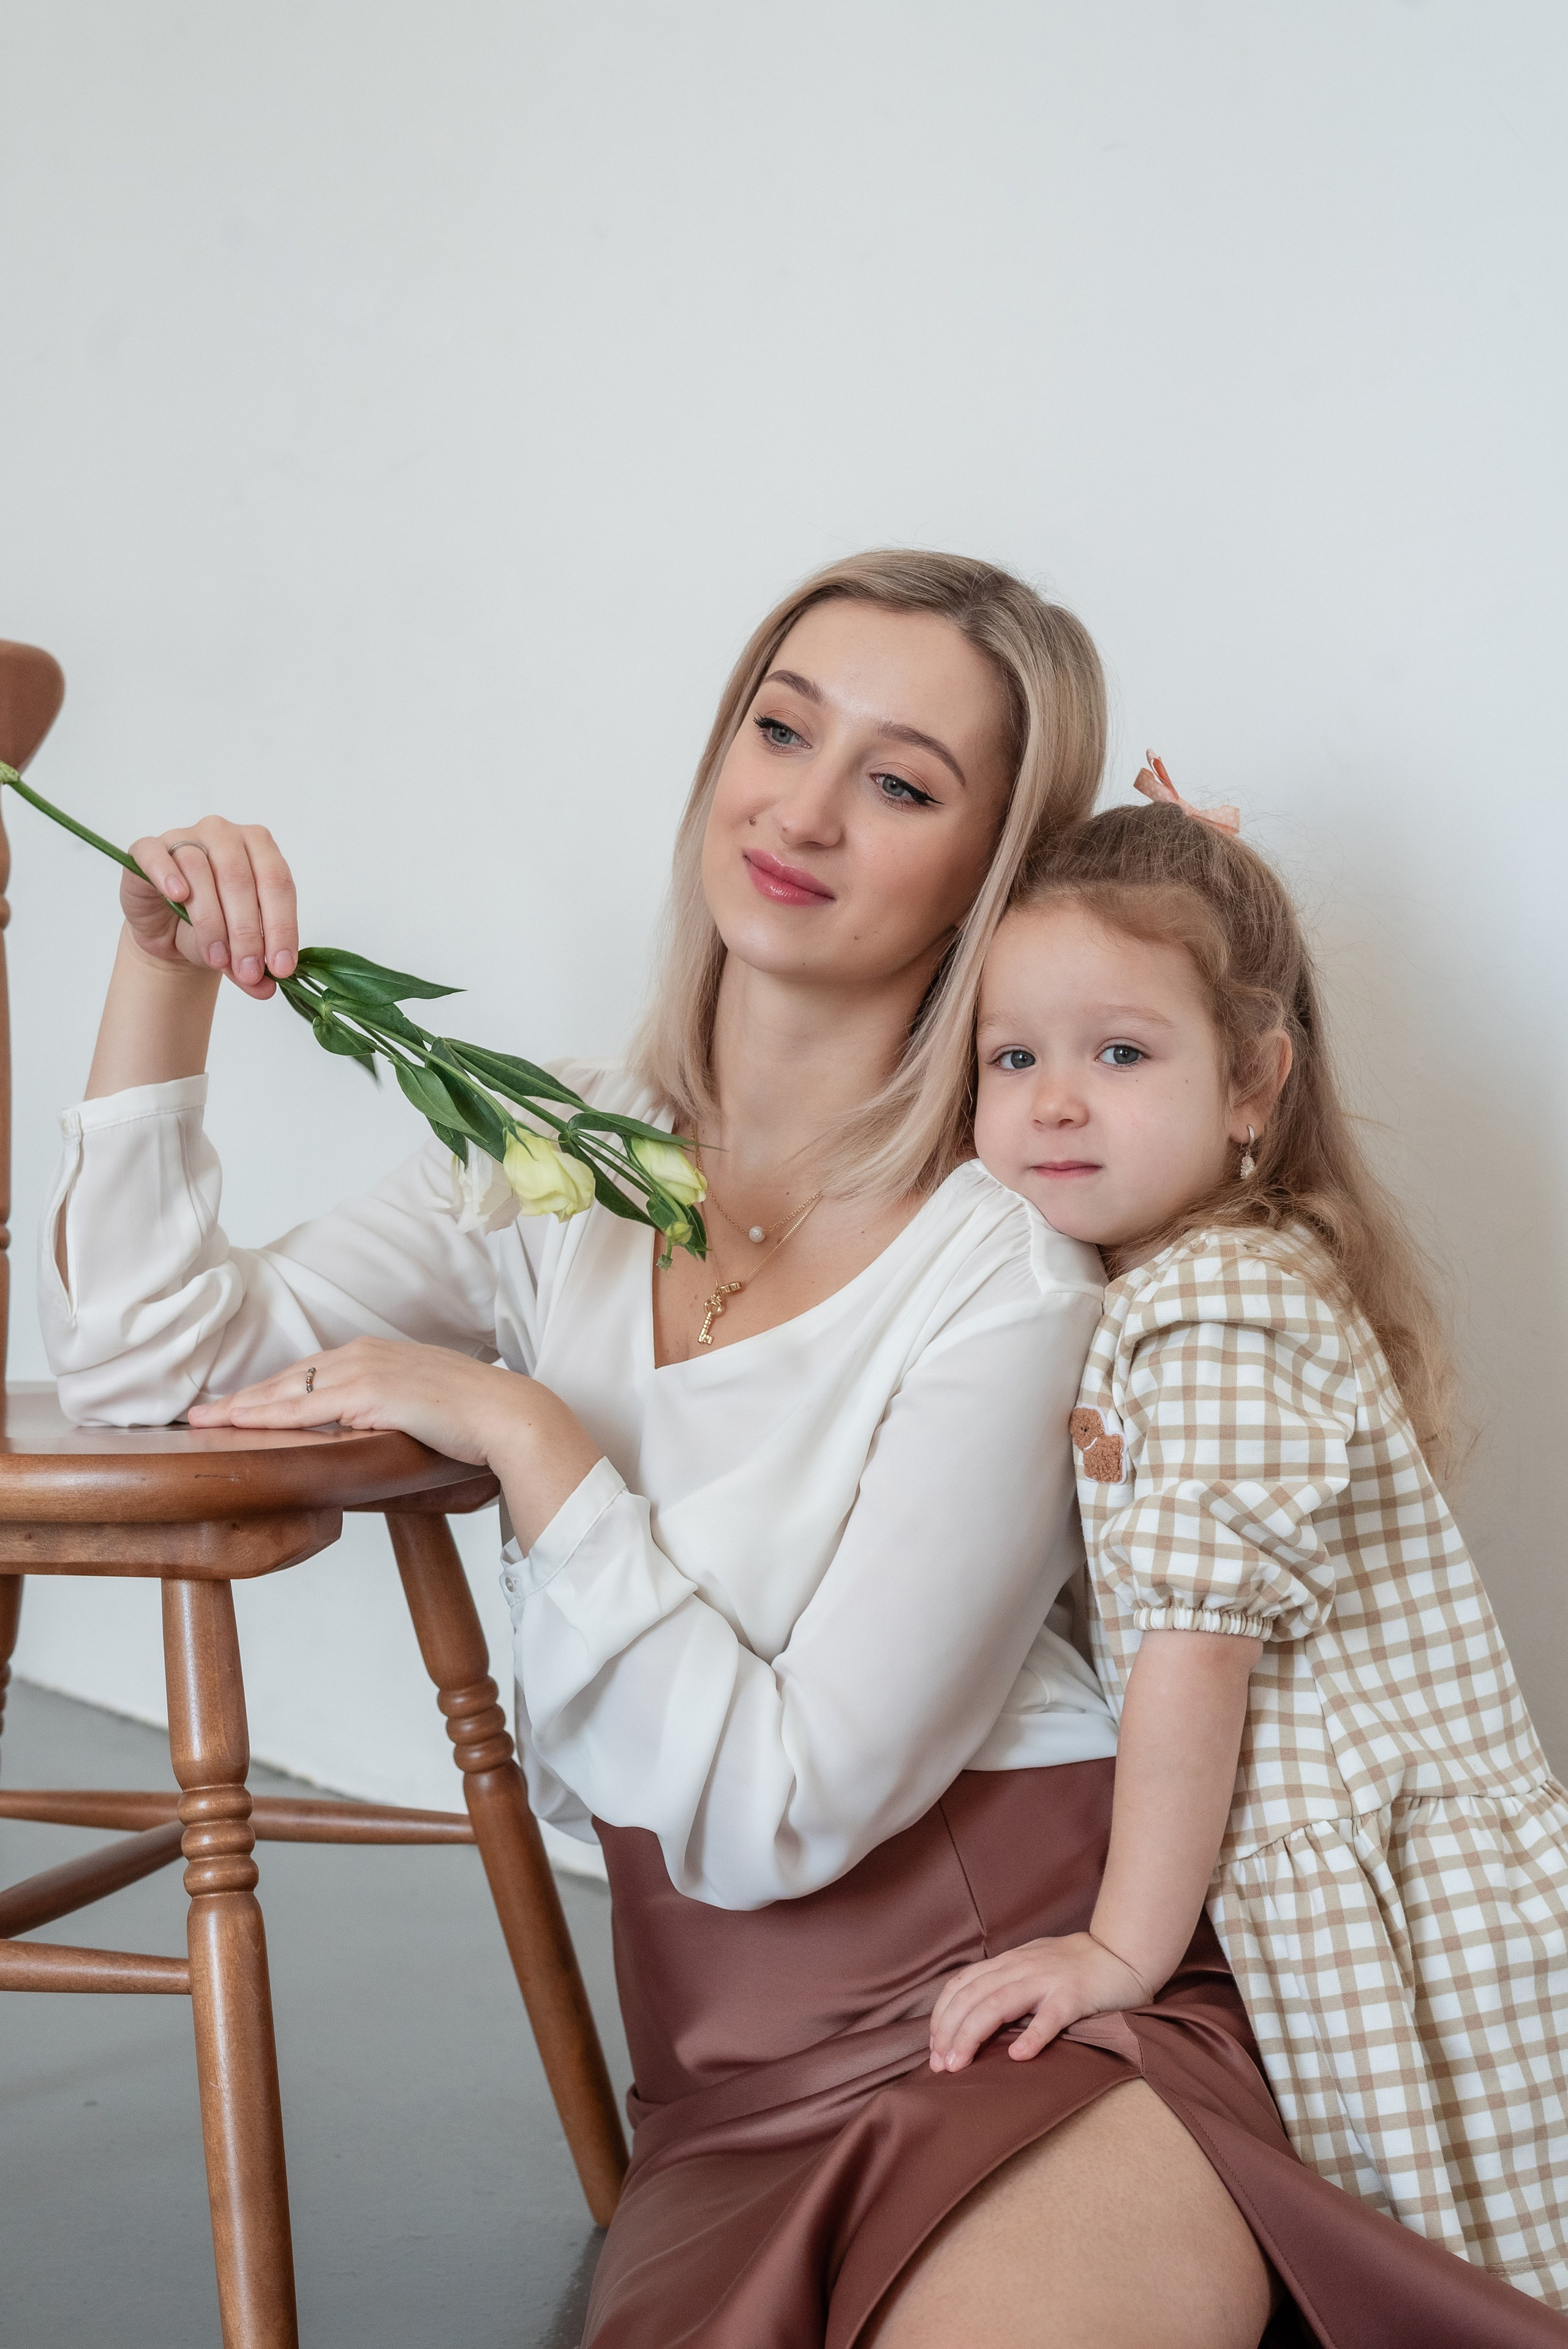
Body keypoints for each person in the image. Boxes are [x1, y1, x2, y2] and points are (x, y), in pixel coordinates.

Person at [40, 558, 1559, 2348]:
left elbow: (791, 1803)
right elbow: (147, 1364)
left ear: (987, 870)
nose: (806, 808)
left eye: (903, 781)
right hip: (725, 2080)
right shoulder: (554, 1158)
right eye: (782, 727)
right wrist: (162, 985)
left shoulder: (1005, 1263)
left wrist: (531, 1435)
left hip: (1034, 2016)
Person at [935, 773, 1568, 2317]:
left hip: (1393, 1906)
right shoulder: (1178, 1286)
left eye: (1120, 1053)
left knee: (1460, 2258)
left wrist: (1117, 1953)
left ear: (1250, 1084)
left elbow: (1192, 1657)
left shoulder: (1215, 1310)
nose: (1055, 1099)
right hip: (1336, 1875)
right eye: (1012, 1056)